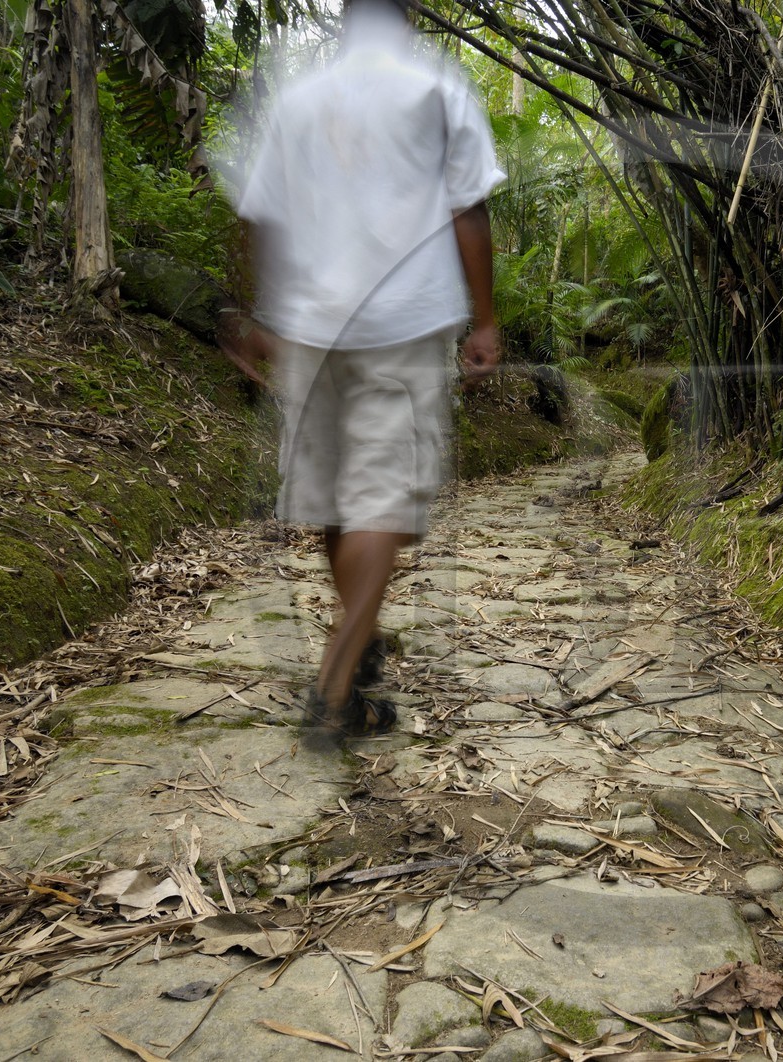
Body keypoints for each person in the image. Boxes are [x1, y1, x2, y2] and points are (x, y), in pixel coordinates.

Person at [224, 0, 504, 747]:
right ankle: (334, 691)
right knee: (380, 498)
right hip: (403, 322)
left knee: (334, 497)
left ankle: (360, 630)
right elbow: (467, 208)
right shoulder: (436, 84)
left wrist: (265, 316)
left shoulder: (300, 97)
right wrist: (484, 319)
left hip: (313, 327)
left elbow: (258, 216)